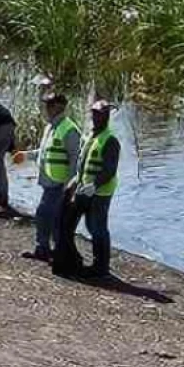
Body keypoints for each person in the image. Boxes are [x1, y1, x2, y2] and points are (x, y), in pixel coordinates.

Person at [23, 91, 81, 262]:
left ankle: (46, 250)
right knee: (53, 218)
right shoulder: (50, 127)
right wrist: (25, 155)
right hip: (50, 182)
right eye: (46, 104)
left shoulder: (69, 129)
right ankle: (55, 251)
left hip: (60, 184)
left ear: (60, 107)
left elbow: (75, 160)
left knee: (44, 215)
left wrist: (69, 186)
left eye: (50, 105)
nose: (46, 108)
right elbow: (44, 152)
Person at [70, 100, 122, 278]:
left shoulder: (110, 140)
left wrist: (95, 185)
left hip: (101, 193)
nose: (95, 117)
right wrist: (77, 182)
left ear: (106, 116)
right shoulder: (92, 136)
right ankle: (97, 263)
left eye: (99, 114)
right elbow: (82, 164)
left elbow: (109, 169)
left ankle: (101, 267)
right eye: (94, 114)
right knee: (90, 225)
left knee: (98, 228)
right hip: (86, 189)